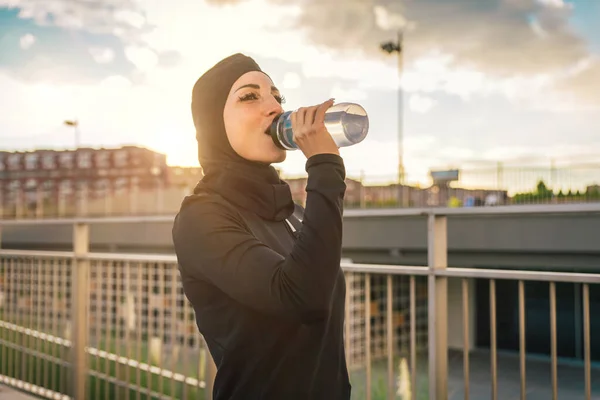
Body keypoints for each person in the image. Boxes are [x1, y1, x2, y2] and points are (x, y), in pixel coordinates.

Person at [172, 53, 351, 400]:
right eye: (250, 96)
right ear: (213, 123)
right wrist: (325, 166)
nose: (274, 107)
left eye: (277, 97)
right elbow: (302, 300)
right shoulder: (202, 215)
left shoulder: (295, 212)